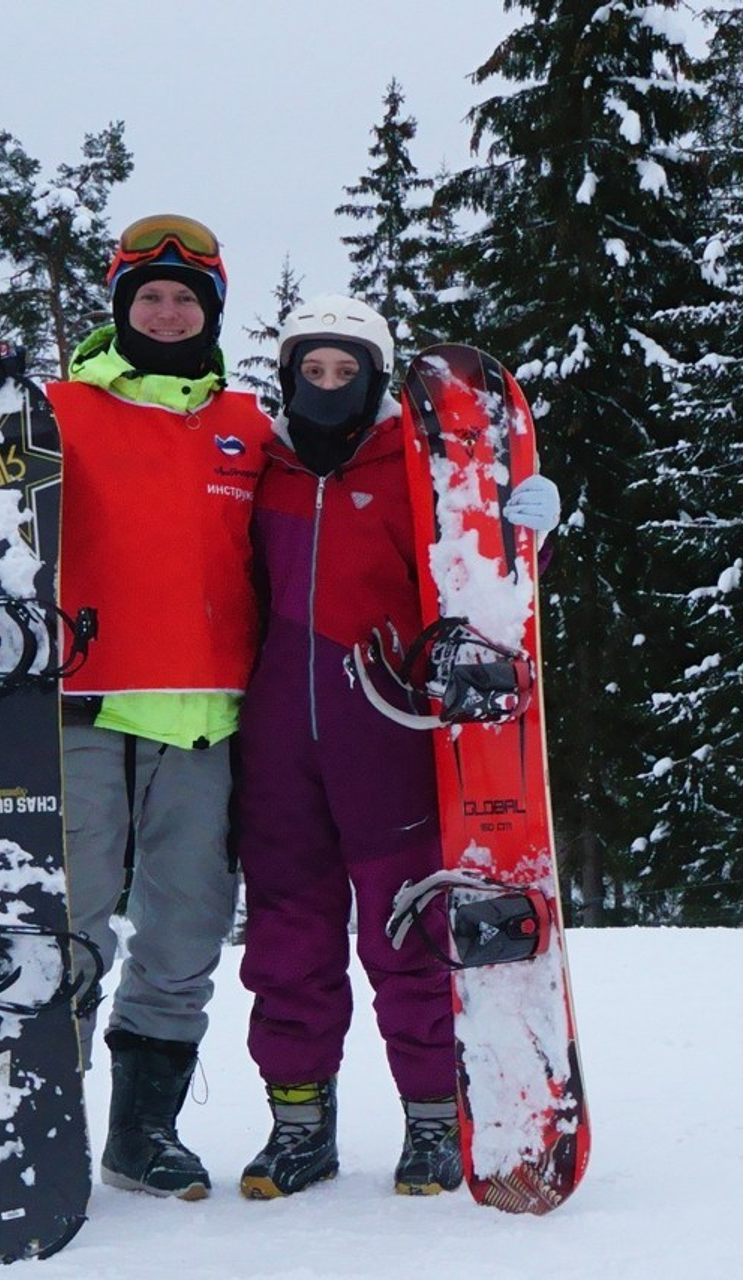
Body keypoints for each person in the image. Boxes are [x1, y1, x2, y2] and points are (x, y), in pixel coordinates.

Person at [235, 296, 560, 1198]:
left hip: (385, 733)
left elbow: (480, 569)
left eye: (347, 372)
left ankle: (431, 1120)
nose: (328, 387)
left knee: (409, 930)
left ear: (375, 380)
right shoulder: (265, 467)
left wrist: (528, 527)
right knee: (286, 939)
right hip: (274, 749)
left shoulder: (414, 464)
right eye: (313, 370)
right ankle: (299, 1127)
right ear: (291, 375)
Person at [45, 214, 273, 1200]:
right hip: (85, 710)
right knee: (68, 927)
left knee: (184, 936)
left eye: (186, 297)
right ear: (120, 307)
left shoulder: (247, 424)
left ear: (210, 310)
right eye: (149, 295)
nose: (168, 310)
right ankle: (38, 1113)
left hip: (207, 721)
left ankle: (142, 1133)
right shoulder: (55, 409)